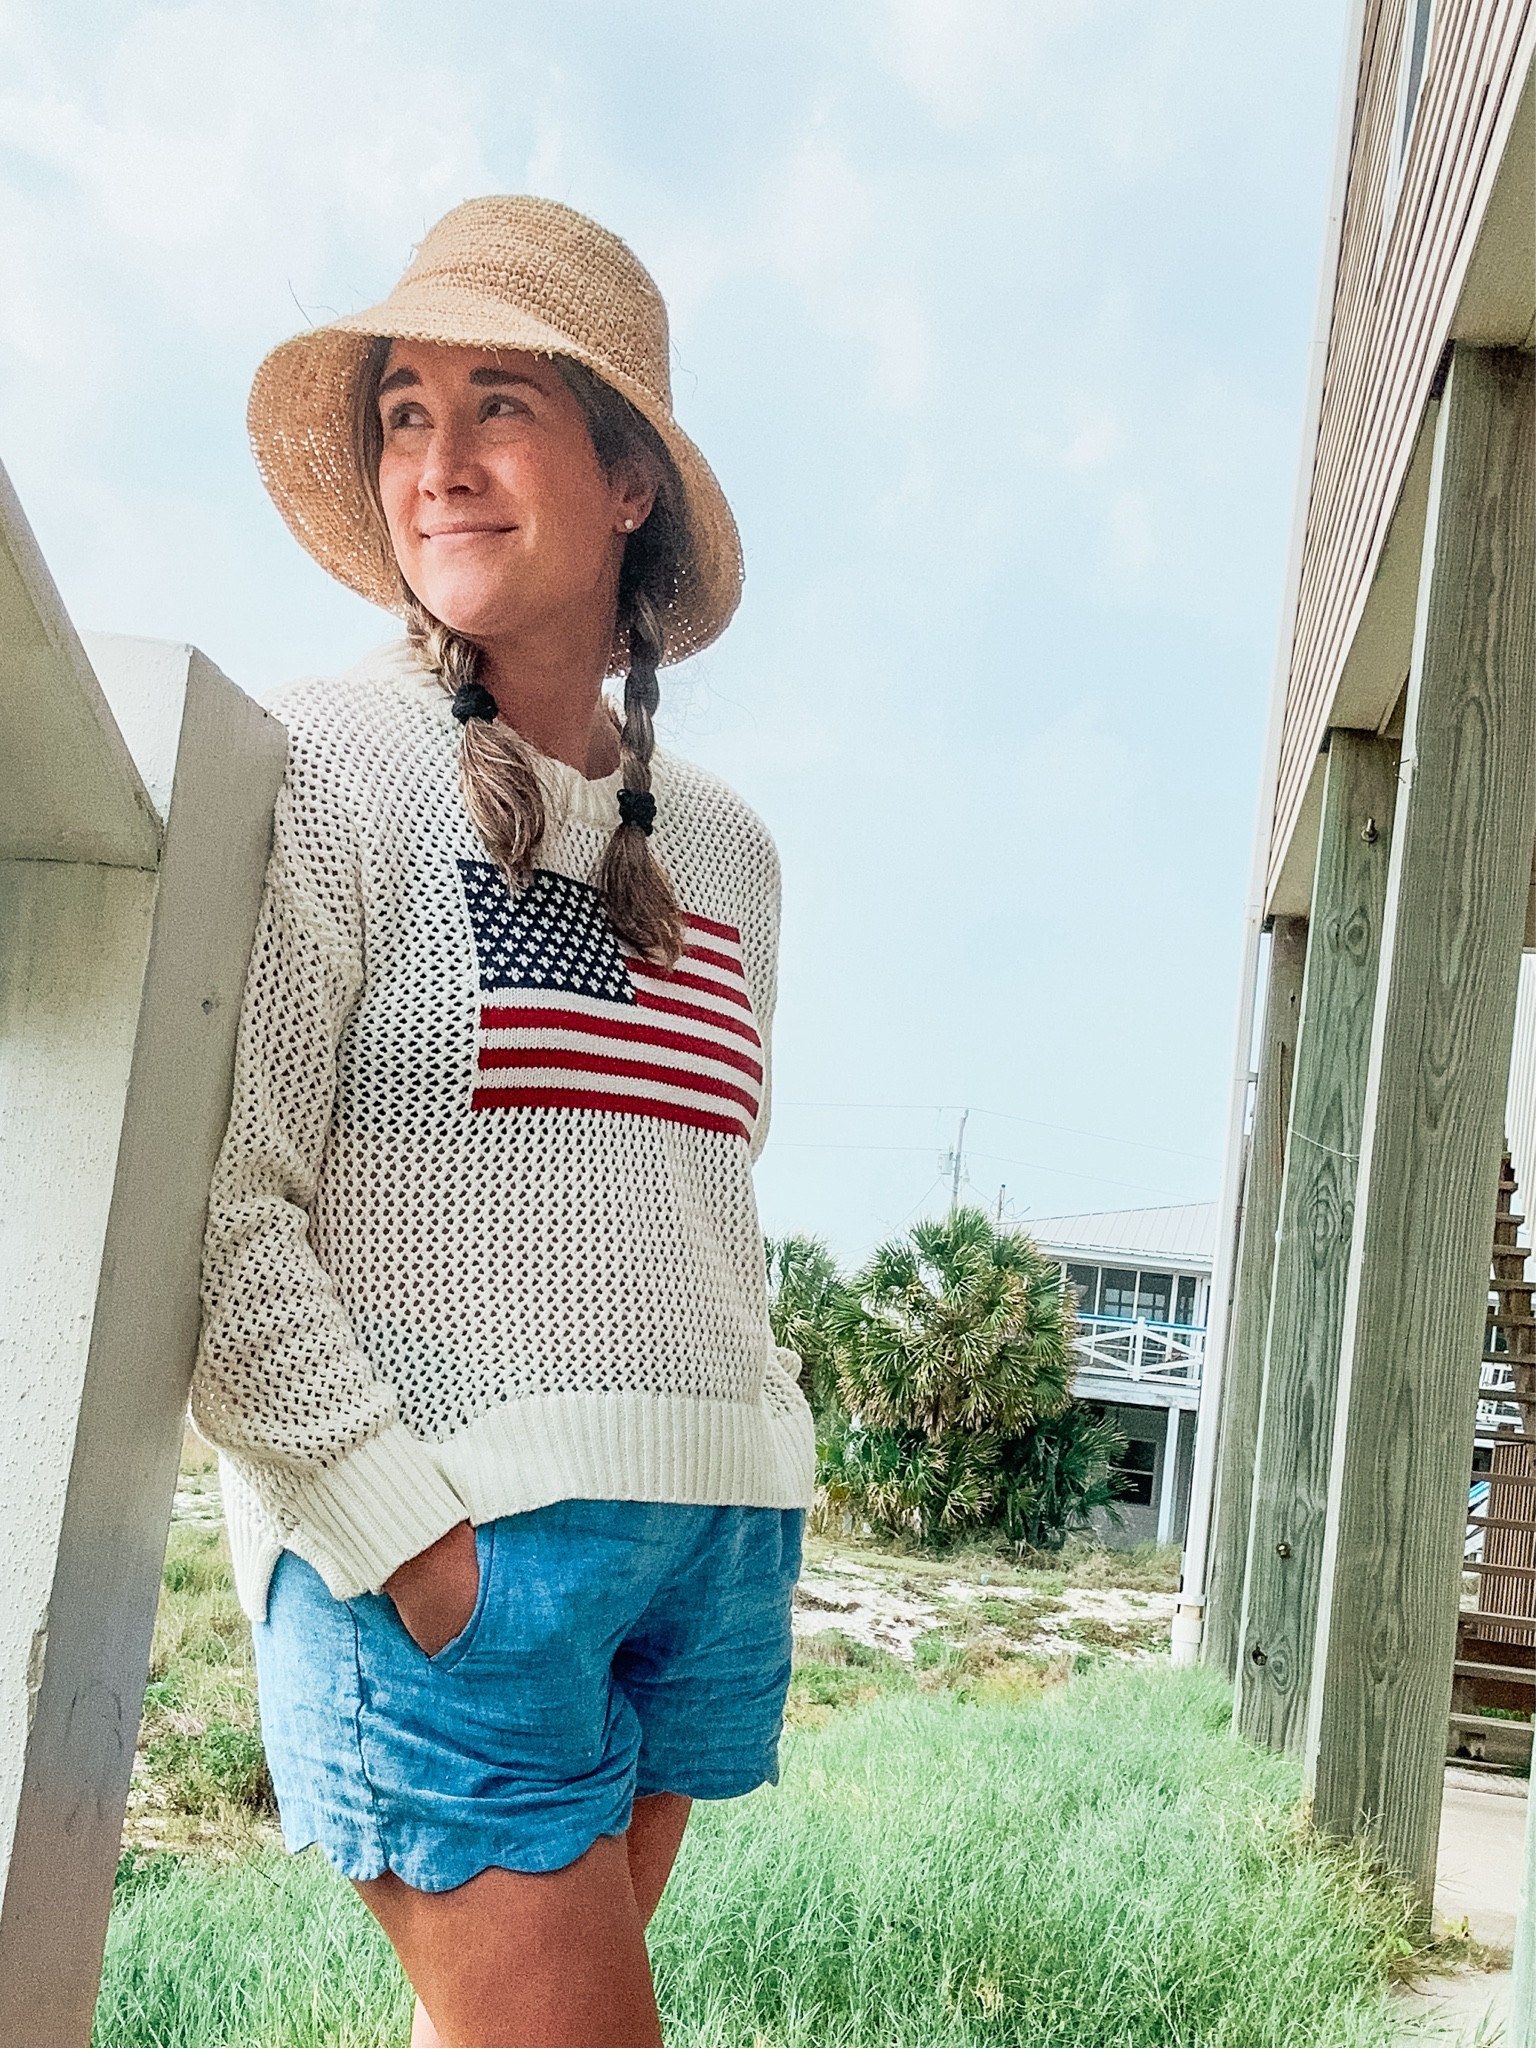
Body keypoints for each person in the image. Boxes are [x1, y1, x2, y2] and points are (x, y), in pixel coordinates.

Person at [193, 194, 815, 2049]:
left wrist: (765, 1457)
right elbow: (230, 1215)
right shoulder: (329, 763)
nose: (438, 464)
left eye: (498, 408)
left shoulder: (731, 847)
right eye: (403, 412)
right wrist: (406, 1536)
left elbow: (707, 1195)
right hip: (459, 1567)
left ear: (629, 479)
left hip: (703, 1547)